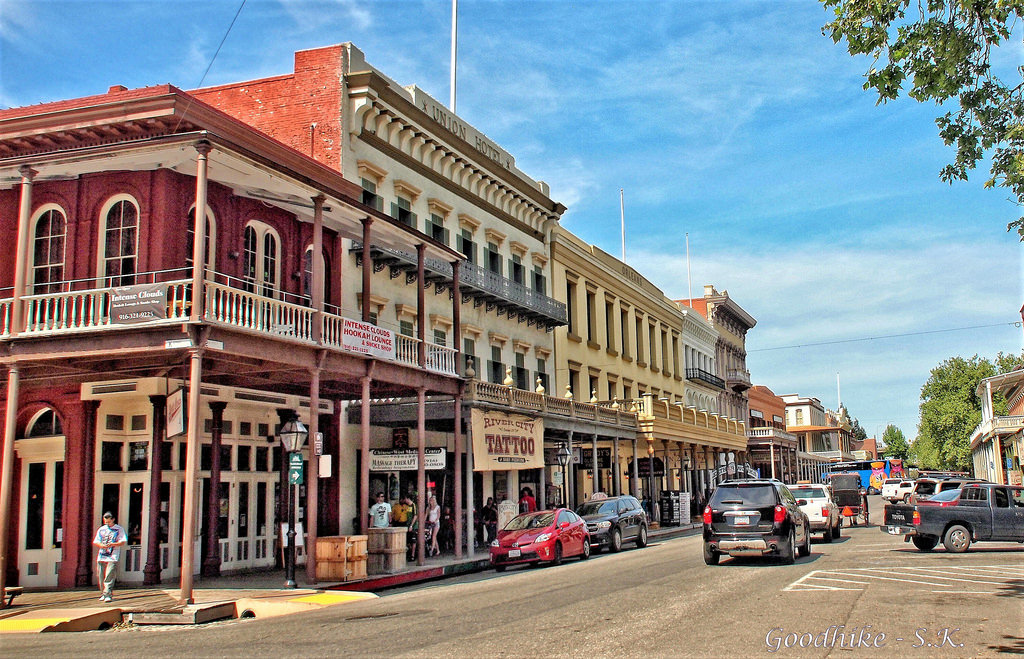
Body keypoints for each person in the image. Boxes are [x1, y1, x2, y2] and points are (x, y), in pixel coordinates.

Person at [93, 511, 127, 603]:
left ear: (113, 519)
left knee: (109, 574)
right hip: (102, 555)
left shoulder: (119, 529)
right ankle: (103, 593)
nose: (107, 524)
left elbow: (123, 541)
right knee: (100, 575)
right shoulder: (102, 529)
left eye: (108, 521)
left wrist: (113, 544)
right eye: (105, 522)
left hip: (113, 555)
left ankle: (108, 594)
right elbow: (96, 541)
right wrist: (101, 545)